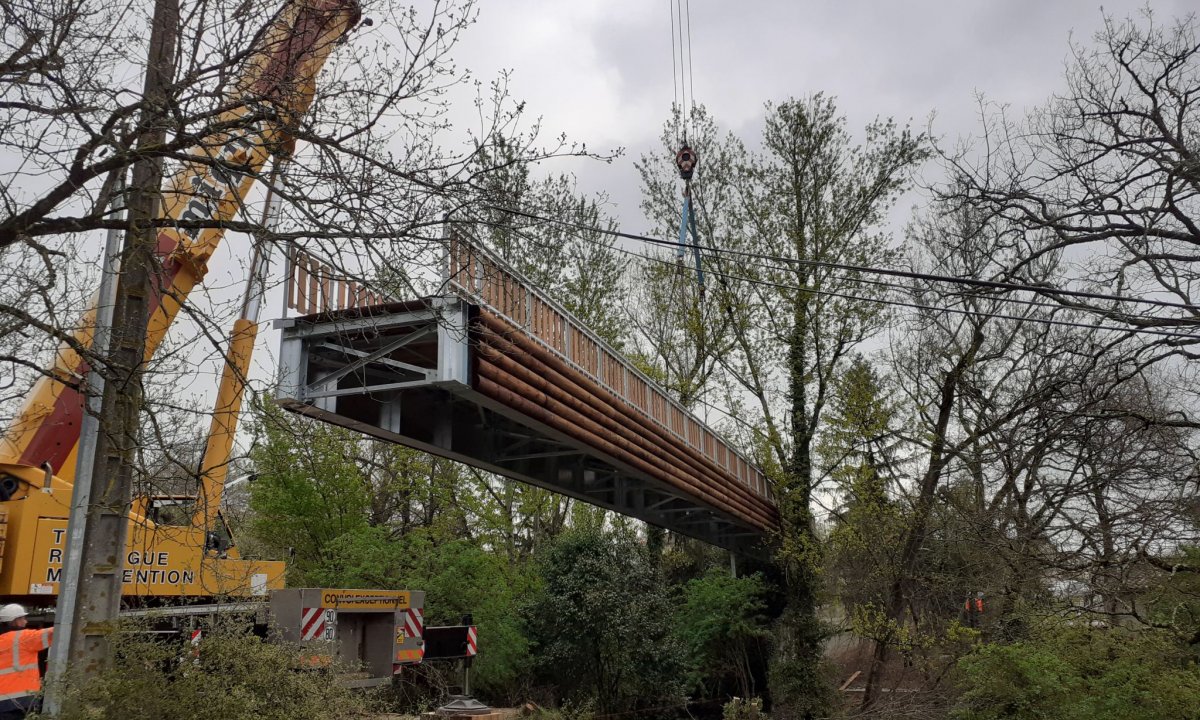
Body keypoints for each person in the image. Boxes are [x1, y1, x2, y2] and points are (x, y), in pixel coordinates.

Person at [0, 604, 52, 720]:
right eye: (23, 618)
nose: (26, 621)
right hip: (24, 700)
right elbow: (55, 632)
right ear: (16, 621)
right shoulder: (25, 638)